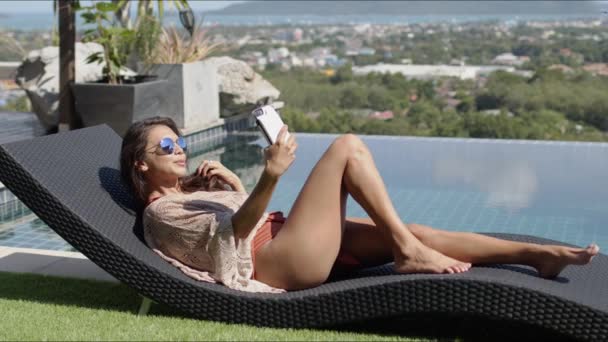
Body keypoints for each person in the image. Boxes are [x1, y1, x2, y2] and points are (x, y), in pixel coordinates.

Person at [120, 117, 599, 293]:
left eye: (179, 142)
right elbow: (233, 239)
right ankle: (407, 252)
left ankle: (535, 256)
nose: (179, 149)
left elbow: (242, 216)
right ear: (141, 166)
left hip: (282, 236)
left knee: (414, 232)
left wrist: (232, 185)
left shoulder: (189, 196)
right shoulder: (160, 213)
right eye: (165, 147)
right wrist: (270, 174)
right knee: (346, 147)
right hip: (278, 260)